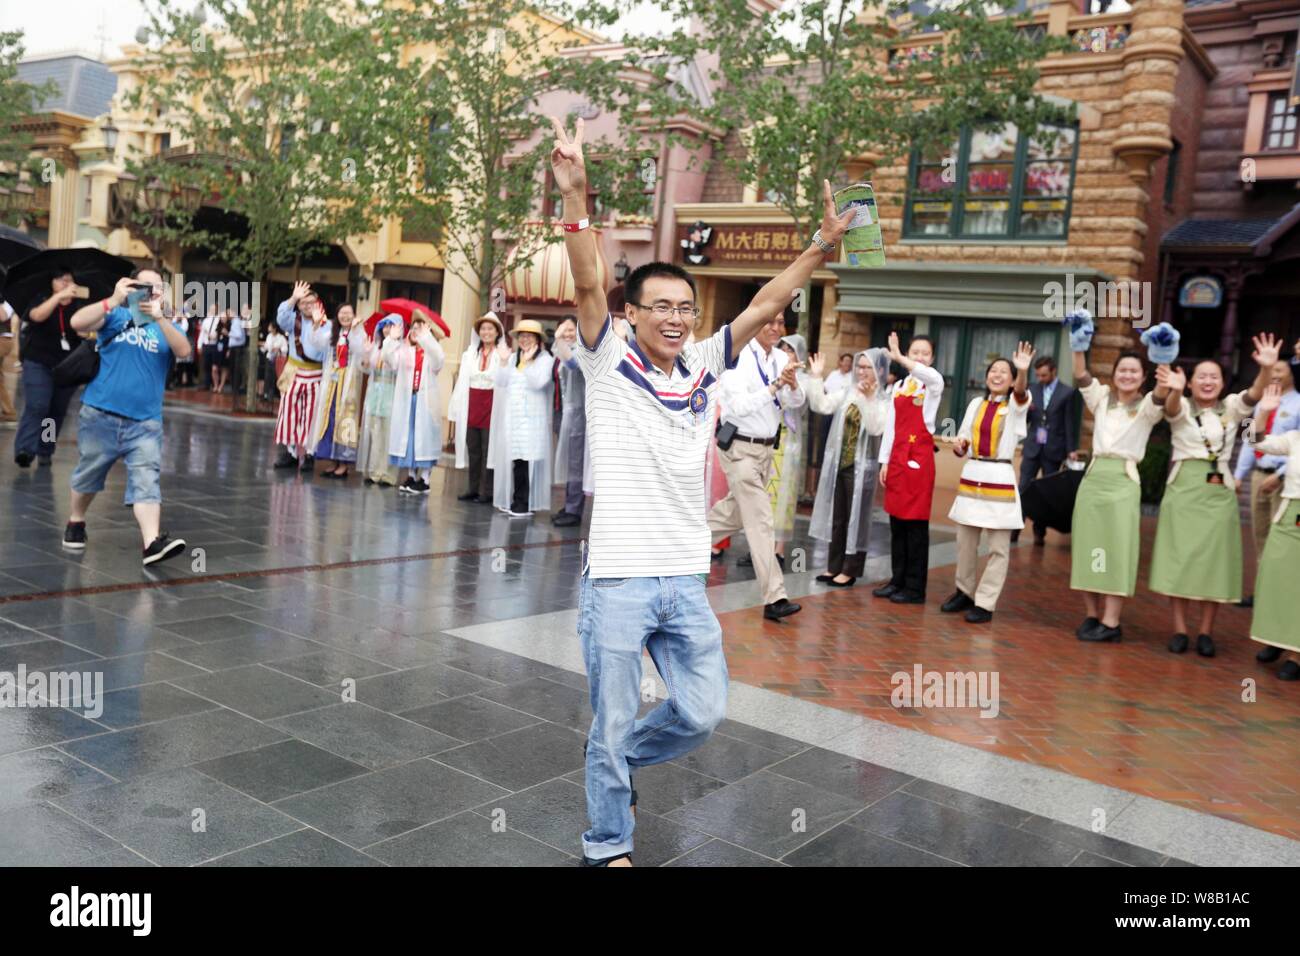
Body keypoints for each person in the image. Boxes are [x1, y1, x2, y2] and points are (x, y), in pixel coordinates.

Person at [549, 114, 855, 866]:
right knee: (614, 716)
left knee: (701, 711)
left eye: (686, 307)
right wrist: (576, 193)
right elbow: (588, 276)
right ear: (632, 314)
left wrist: (820, 246)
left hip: (684, 577)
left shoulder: (704, 365)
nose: (678, 318)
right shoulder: (605, 358)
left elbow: (761, 306)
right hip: (618, 575)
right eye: (662, 307)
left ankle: (613, 768)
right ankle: (607, 839)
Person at [1149, 337, 1279, 657]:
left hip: (1219, 491)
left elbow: (1255, 394)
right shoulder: (1180, 407)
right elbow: (1171, 408)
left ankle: (1206, 631)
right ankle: (1180, 629)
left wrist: (1265, 368)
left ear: (1222, 383)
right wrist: (1176, 389)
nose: (1208, 382)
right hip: (1184, 489)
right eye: (1201, 377)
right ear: (1190, 383)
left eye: (1214, 377)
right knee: (1180, 558)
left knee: (1214, 561)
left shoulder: (1232, 407)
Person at [61, 270, 189, 565]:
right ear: (131, 286)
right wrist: (113, 299)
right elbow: (76, 322)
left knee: (147, 479)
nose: (152, 290)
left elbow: (183, 350)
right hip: (100, 414)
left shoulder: (167, 326)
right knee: (88, 473)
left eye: (158, 286)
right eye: (144, 285)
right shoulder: (116, 316)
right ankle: (76, 521)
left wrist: (160, 317)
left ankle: (151, 543)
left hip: (145, 422)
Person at [1070, 345, 1173, 643]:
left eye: (1134, 371)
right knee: (1090, 547)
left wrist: (1165, 356)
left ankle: (1111, 621)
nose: (1127, 375)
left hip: (1123, 481)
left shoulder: (1148, 407)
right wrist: (1078, 345)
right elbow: (1080, 374)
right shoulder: (1101, 399)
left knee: (1116, 550)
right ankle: (1091, 615)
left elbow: (1161, 392)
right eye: (1122, 370)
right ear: (1114, 375)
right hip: (1093, 479)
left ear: (1143, 378)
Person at [707, 311, 805, 619]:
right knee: (762, 519)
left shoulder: (779, 357)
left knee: (733, 514)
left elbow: (796, 402)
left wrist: (790, 385)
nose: (777, 329)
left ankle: (676, 549)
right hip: (739, 448)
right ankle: (775, 597)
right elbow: (736, 407)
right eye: (770, 322)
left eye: (781, 323)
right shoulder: (736, 357)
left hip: (765, 452)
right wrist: (775, 386)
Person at [942, 343, 1035, 623]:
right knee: (965, 542)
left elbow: (1020, 394)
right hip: (973, 475)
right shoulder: (975, 404)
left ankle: (985, 602)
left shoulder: (1016, 405)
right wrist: (960, 445)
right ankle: (964, 590)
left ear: (1011, 380)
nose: (997, 375)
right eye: (993, 371)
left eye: (1004, 372)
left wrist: (1022, 371)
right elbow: (963, 438)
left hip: (1000, 478)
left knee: (998, 547)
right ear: (986, 377)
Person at [807, 348, 889, 586]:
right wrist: (816, 377)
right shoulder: (847, 392)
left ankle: (850, 569)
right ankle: (834, 566)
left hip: (863, 467)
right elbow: (821, 405)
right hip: (840, 465)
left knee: (857, 519)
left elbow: (876, 428)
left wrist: (868, 400)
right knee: (839, 518)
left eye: (868, 367)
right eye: (859, 366)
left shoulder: (883, 399)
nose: (862, 371)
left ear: (880, 371)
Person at [872, 331, 944, 605]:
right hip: (898, 461)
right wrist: (885, 460)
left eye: (925, 353)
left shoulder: (933, 385)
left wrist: (900, 357)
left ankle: (915, 588)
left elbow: (930, 376)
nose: (920, 357)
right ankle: (897, 579)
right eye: (915, 352)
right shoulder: (900, 386)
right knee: (897, 523)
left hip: (919, 462)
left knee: (915, 525)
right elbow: (890, 427)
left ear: (932, 357)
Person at [1233, 338, 1300, 609]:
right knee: (1259, 536)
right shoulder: (1261, 401)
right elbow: (1251, 438)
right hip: (1259, 475)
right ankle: (1262, 592)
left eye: (1279, 371)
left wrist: (1282, 474)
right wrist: (1239, 473)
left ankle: (1280, 596)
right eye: (1271, 371)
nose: (1273, 375)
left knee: (1281, 540)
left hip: (1283, 481)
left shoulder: (1298, 403)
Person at [1246, 383, 1300, 681]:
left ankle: (1296, 654)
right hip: (1288, 516)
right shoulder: (1294, 438)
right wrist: (1263, 410)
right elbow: (1250, 439)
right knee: (1277, 580)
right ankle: (1277, 639)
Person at [13, 270, 84, 467]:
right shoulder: (41, 298)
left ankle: (45, 449)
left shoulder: (79, 305)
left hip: (66, 366)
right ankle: (25, 450)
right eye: (61, 279)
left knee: (56, 410)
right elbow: (37, 316)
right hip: (38, 361)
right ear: (51, 282)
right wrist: (57, 298)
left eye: (69, 279)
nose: (65, 283)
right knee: (38, 405)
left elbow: (85, 330)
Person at [490, 318, 555, 517]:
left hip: (533, 420)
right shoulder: (513, 358)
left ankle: (524, 502)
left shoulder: (545, 359)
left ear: (537, 339)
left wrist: (527, 363)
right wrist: (502, 361)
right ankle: (516, 499)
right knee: (517, 459)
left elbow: (538, 382)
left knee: (528, 459)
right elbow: (501, 381)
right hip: (514, 418)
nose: (524, 340)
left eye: (529, 336)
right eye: (522, 336)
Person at [383, 308, 448, 495]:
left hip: (425, 402)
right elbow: (389, 360)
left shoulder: (432, 352)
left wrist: (427, 339)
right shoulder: (404, 351)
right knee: (409, 439)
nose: (416, 330)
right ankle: (411, 475)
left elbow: (438, 360)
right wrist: (391, 340)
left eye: (421, 327)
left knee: (425, 439)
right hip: (407, 400)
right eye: (414, 327)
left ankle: (425, 479)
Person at [1016, 354, 1078, 544]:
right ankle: (1014, 529)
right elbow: (1022, 418)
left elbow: (1070, 423)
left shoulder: (1067, 392)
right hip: (1032, 447)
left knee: (1047, 493)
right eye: (1038, 375)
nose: (1040, 379)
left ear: (1053, 371)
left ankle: (1039, 531)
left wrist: (1071, 449)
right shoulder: (1031, 389)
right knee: (1023, 488)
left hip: (1054, 450)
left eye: (1044, 375)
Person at [272, 281, 331, 471]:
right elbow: (280, 318)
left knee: (311, 415)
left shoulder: (326, 324)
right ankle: (289, 453)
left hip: (316, 372)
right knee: (288, 412)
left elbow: (326, 348)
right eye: (303, 303)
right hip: (295, 370)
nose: (307, 306)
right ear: (299, 305)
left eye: (311, 302)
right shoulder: (294, 320)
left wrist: (317, 325)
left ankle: (309, 454)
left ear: (318, 303)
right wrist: (293, 298)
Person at [449, 312, 506, 504]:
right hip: (472, 403)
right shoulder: (469, 354)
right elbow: (462, 382)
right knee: (473, 448)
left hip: (491, 405)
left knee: (488, 447)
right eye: (483, 328)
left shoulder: (502, 354)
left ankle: (487, 491)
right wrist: (456, 406)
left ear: (497, 332)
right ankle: (472, 488)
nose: (486, 332)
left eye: (490, 328)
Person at [312, 303, 366, 479]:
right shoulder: (333, 333)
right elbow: (318, 343)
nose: (345, 316)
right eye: (342, 313)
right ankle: (332, 460)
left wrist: (356, 331)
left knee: (345, 420)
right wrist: (316, 324)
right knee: (330, 417)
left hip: (348, 383)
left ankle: (344, 463)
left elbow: (360, 351)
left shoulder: (359, 333)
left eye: (348, 313)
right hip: (332, 382)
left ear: (354, 315)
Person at [551, 316, 589, 527]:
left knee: (575, 462)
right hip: (567, 412)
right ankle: (569, 505)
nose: (566, 333)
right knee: (569, 459)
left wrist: (559, 339)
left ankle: (574, 510)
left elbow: (572, 363)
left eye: (570, 329)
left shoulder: (584, 351)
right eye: (563, 329)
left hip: (579, 414)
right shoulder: (565, 348)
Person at [357, 315, 401, 486]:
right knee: (374, 430)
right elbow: (367, 369)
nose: (388, 329)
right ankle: (374, 469)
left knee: (388, 432)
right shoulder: (376, 347)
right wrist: (367, 356)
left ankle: (387, 473)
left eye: (392, 326)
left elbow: (397, 368)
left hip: (391, 391)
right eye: (385, 326)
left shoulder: (400, 349)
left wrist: (391, 343)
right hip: (375, 391)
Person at [0, 300, 18, 424]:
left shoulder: (7, 301)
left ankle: (9, 412)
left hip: (3, 340)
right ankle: (9, 412)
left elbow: (3, 316)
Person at [260, 324, 288, 400]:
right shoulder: (269, 336)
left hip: (278, 360)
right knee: (267, 376)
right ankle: (266, 394)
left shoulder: (281, 338)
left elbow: (285, 348)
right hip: (269, 358)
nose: (268, 328)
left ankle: (274, 394)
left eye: (270, 326)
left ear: (274, 328)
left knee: (276, 376)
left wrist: (278, 349)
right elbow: (266, 346)